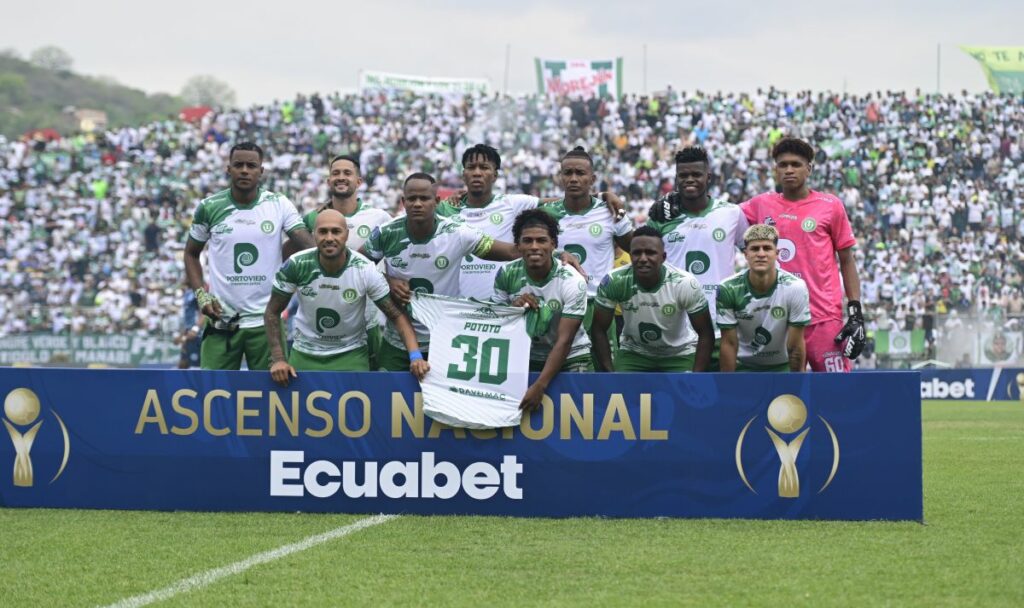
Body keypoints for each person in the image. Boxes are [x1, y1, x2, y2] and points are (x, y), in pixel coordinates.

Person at [362, 172, 522, 371]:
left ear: (436, 201)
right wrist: (387, 280)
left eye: (424, 198)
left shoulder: (457, 233)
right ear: (403, 202)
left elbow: (510, 252)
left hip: (446, 340)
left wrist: (556, 255)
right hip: (397, 343)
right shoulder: (385, 233)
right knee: (387, 400)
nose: (418, 204)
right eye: (412, 199)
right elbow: (357, 265)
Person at [183, 142, 314, 370]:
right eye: (239, 165)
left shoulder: (278, 204)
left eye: (251, 165)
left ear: (261, 171)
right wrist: (201, 296)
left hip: (266, 323)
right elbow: (191, 254)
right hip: (222, 321)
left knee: (271, 398)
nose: (245, 170)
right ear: (228, 169)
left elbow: (307, 245)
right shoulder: (209, 207)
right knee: (213, 397)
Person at [437, 143, 626, 300]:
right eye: (471, 168)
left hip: (503, 303)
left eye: (484, 167)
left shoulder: (512, 203)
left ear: (495, 175)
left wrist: (601, 195)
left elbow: (563, 202)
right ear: (463, 174)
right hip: (457, 305)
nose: (477, 173)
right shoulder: (445, 210)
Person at [740, 137, 864, 372]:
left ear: (809, 168)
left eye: (796, 164)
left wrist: (856, 313)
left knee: (836, 395)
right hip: (777, 319)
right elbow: (719, 216)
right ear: (775, 170)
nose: (789, 169)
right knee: (782, 398)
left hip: (823, 318)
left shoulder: (831, 205)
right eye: (783, 164)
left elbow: (847, 260)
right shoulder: (759, 205)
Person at [263, 210, 428, 385]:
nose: (329, 238)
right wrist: (279, 359)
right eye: (323, 231)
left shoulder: (364, 269)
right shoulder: (296, 265)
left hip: (351, 355)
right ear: (313, 234)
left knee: (354, 412)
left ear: (347, 234)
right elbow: (272, 312)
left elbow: (396, 315)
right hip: (305, 354)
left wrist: (415, 356)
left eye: (336, 231)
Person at [645, 145, 749, 369]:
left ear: (708, 177)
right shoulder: (661, 217)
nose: (689, 179)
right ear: (676, 178)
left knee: (722, 398)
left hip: (722, 327)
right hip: (675, 328)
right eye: (683, 175)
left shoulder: (731, 213)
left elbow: (755, 253)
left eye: (696, 174)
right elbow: (643, 259)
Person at [541, 146, 633, 366]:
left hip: (599, 305)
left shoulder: (611, 212)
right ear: (560, 177)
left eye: (580, 174)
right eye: (568, 173)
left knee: (605, 372)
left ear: (592, 178)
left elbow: (635, 249)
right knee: (560, 368)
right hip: (558, 305)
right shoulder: (545, 214)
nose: (573, 178)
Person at [493, 209, 591, 410]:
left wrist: (540, 385)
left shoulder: (573, 281)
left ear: (553, 244)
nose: (534, 247)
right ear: (518, 245)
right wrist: (513, 310)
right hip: (525, 356)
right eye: (527, 241)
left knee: (580, 420)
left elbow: (564, 341)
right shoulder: (505, 273)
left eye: (541, 240)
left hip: (572, 355)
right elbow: (496, 324)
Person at [302, 154, 393, 367]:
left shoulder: (379, 217)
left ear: (359, 181)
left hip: (366, 323)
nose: (341, 177)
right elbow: (292, 258)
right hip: (322, 325)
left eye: (347, 173)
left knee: (368, 388)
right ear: (328, 181)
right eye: (336, 173)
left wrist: (391, 280)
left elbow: (395, 261)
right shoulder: (312, 219)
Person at [591, 226, 714, 372]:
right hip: (634, 353)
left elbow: (706, 333)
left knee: (688, 394)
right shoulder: (614, 281)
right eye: (637, 253)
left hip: (680, 353)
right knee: (619, 392)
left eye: (650, 253)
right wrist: (610, 373)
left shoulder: (684, 283)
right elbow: (598, 328)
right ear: (630, 255)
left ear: (663, 257)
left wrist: (696, 377)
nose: (643, 259)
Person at [717, 225, 811, 372]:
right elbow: (729, 343)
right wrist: (728, 386)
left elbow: (795, 347)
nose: (761, 254)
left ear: (777, 253)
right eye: (755, 249)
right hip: (744, 367)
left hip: (783, 367)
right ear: (745, 254)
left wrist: (796, 386)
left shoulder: (795, 287)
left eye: (767, 248)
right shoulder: (727, 288)